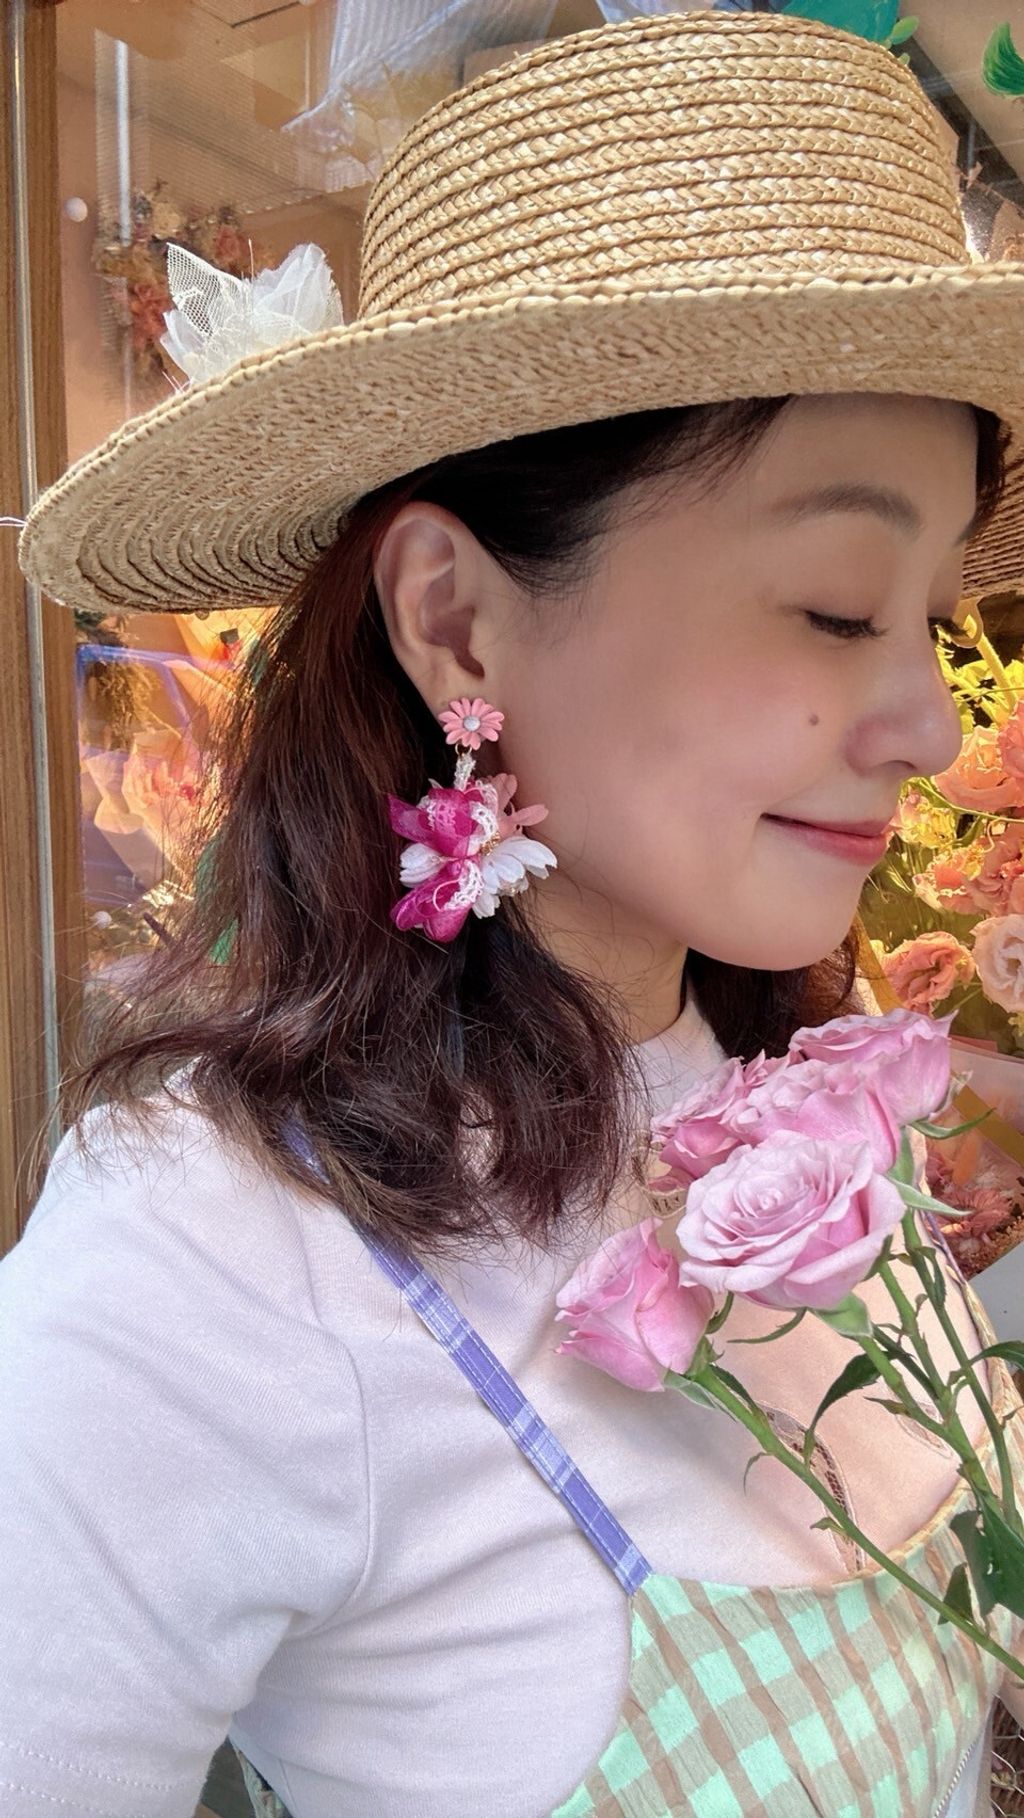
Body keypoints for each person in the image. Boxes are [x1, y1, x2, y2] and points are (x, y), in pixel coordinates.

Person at [4, 10, 1024, 1817]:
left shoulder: (796, 1103)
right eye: (832, 606)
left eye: (930, 614)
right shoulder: (216, 1251)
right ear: (457, 621)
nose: (932, 724)